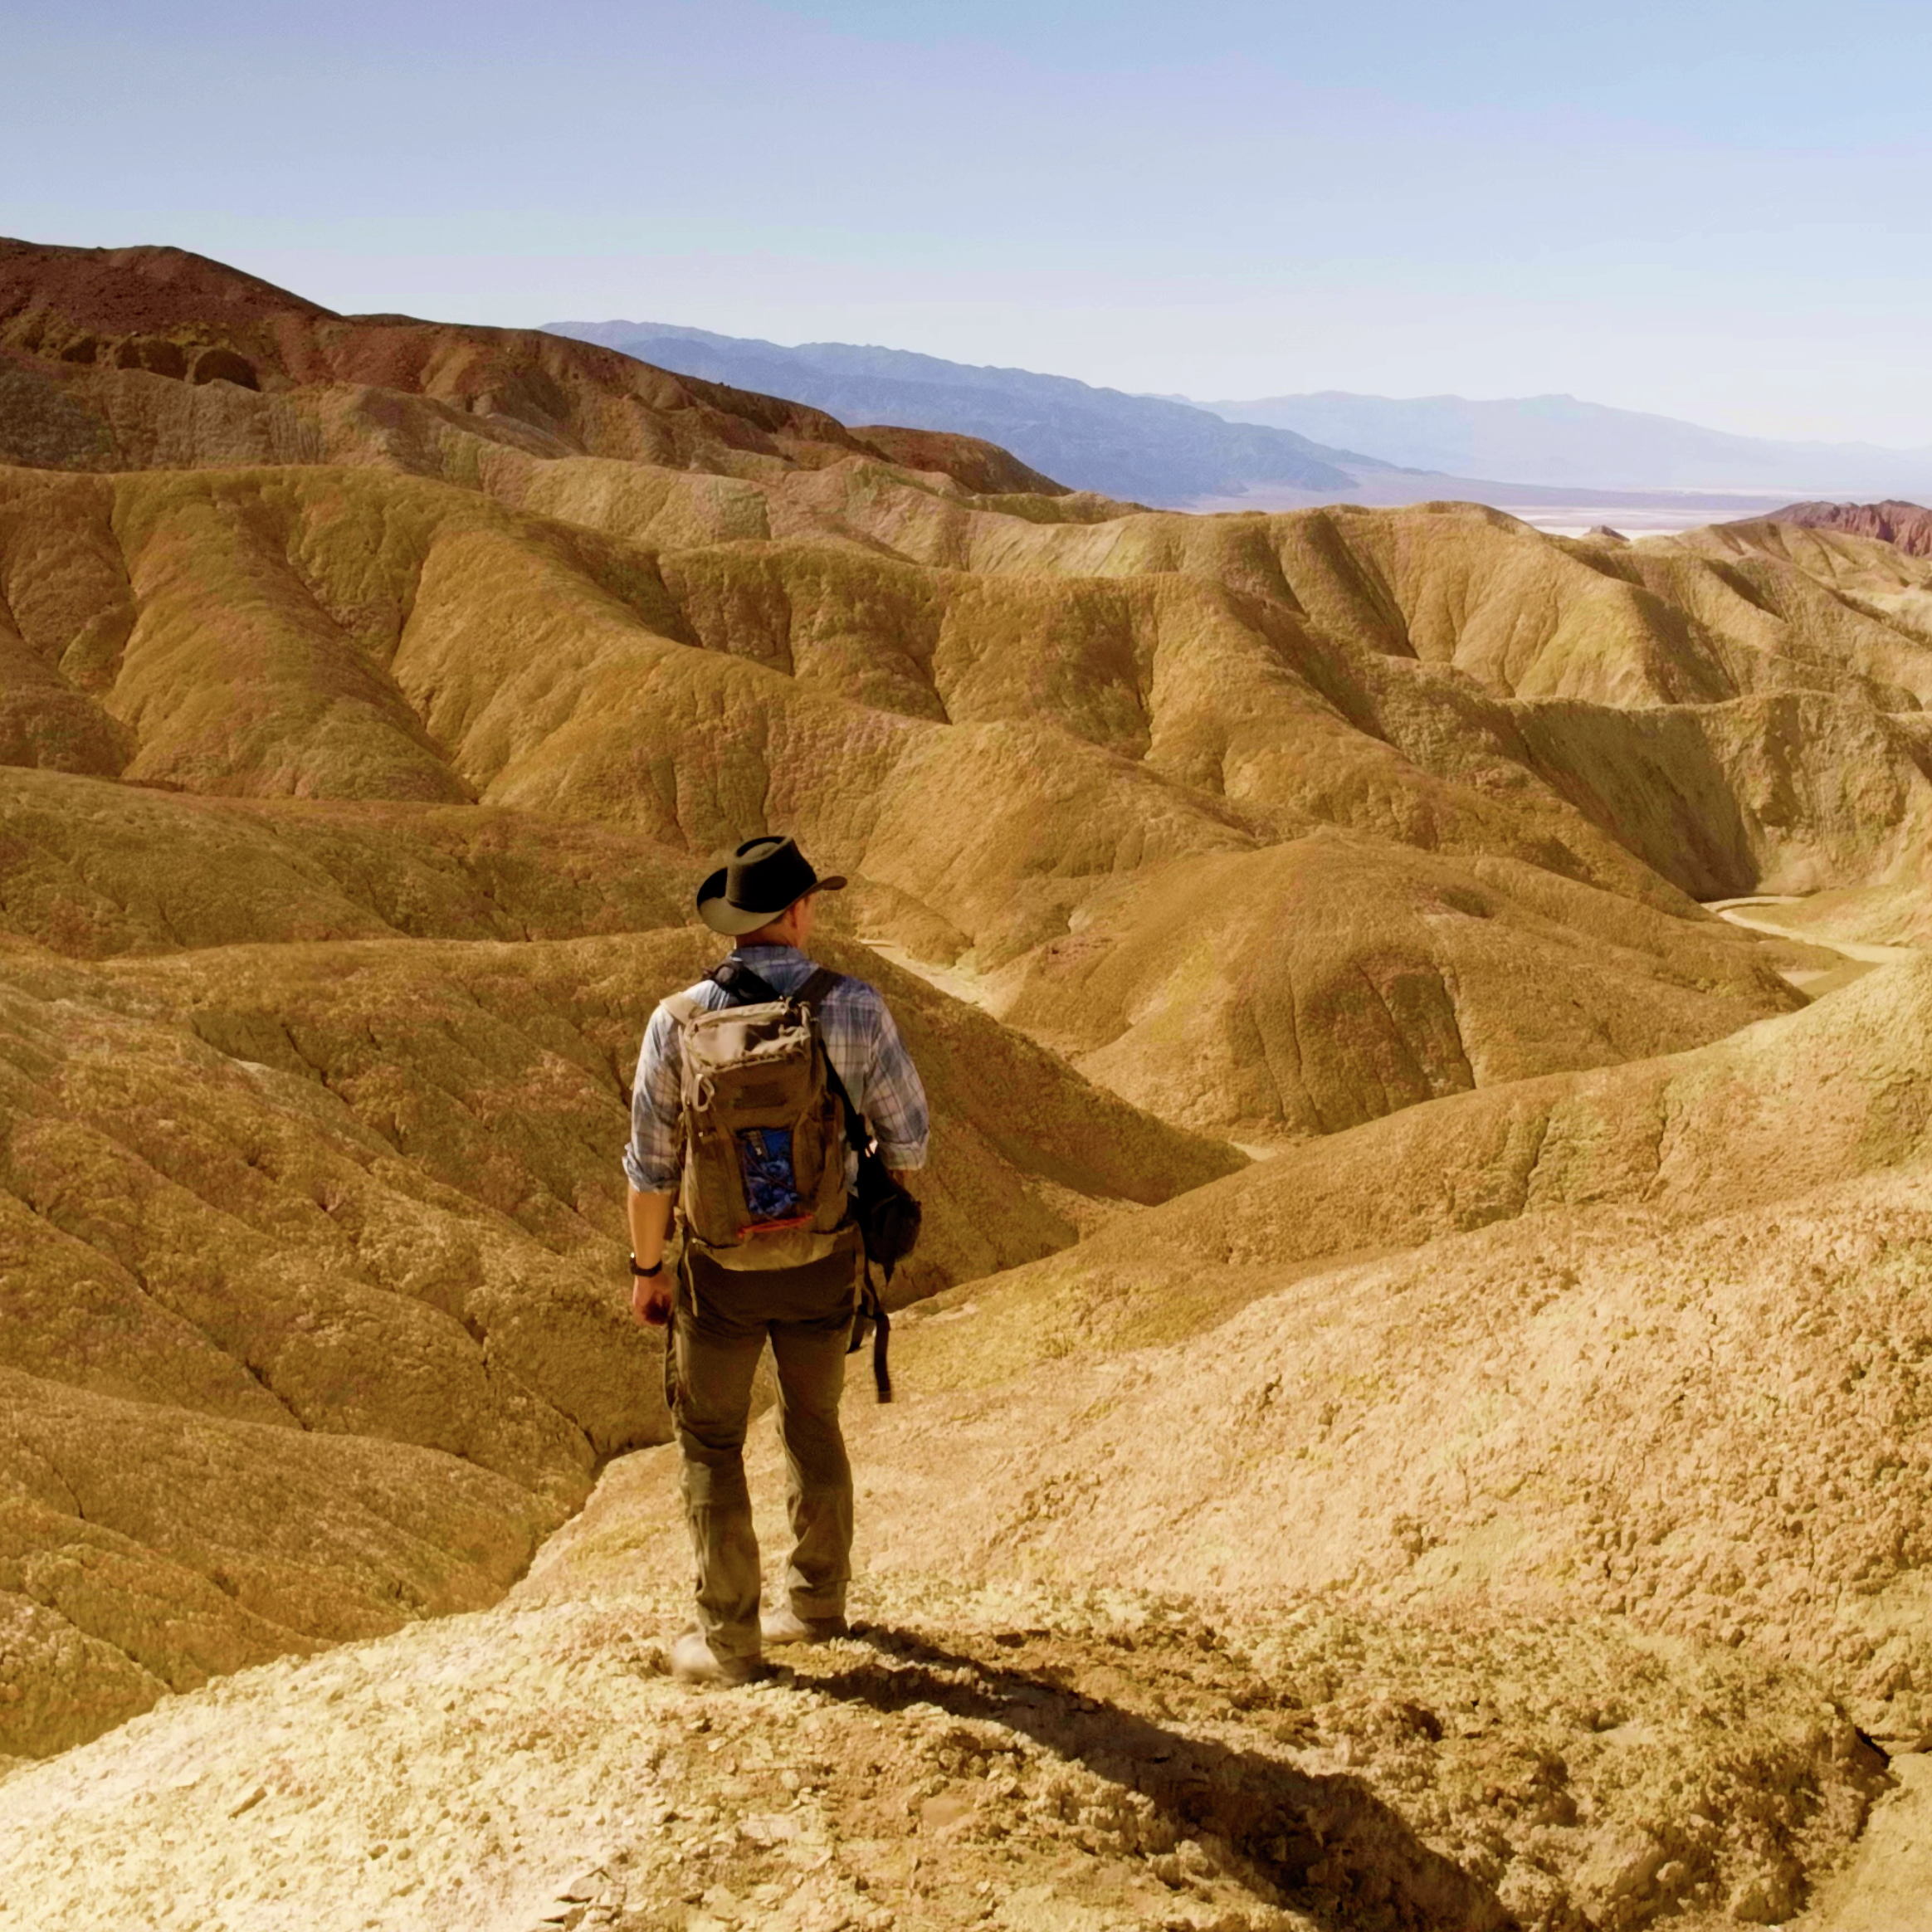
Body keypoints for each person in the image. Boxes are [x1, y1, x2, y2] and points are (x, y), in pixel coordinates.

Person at [623, 834, 929, 1686]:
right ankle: (819, 1605)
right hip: (824, 1261)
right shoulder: (857, 1007)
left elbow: (650, 1167)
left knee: (712, 1441)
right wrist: (868, 1209)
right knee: (813, 1423)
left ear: (735, 924)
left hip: (717, 1274)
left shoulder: (676, 1020)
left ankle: (729, 1643)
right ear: (796, 914)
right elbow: (909, 1138)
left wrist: (649, 1269)